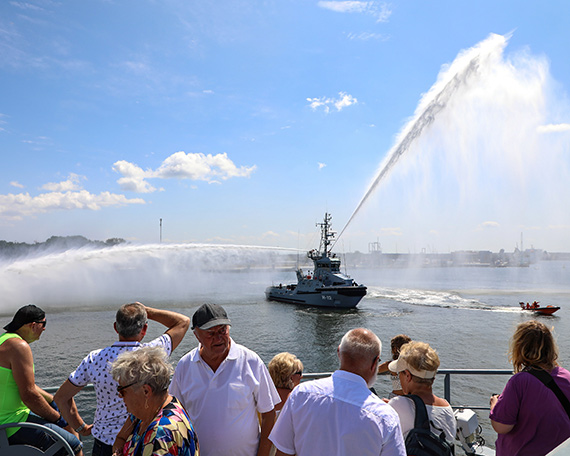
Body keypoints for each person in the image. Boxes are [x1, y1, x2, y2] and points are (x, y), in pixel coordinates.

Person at [55, 302, 190, 456]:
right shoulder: (152, 355)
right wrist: (147, 311)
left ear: (116, 327)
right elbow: (182, 322)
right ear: (144, 329)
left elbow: (61, 397)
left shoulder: (94, 359)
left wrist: (81, 428)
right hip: (145, 440)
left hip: (105, 442)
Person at [269, 328, 406, 456]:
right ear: (375, 362)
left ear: (339, 353)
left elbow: (283, 452)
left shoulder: (300, 394)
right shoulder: (386, 417)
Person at [170, 303, 280, 456]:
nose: (219, 338)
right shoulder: (184, 366)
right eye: (211, 333)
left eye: (223, 330)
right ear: (196, 335)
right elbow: (174, 414)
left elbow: (269, 414)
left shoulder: (251, 362)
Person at [0, 304, 83, 455]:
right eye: (43, 324)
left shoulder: (4, 341)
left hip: (4, 420)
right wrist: (58, 418)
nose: (44, 328)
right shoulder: (20, 346)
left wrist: (52, 400)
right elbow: (29, 396)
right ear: (33, 325)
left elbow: (22, 383)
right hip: (11, 424)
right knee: (73, 445)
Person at [490, 320, 570, 455]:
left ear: (520, 348)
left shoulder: (520, 381)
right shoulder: (566, 376)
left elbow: (502, 426)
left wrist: (494, 405)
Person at [110, 346, 199, 456]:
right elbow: (121, 438)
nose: (119, 395)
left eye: (122, 390)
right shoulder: (150, 410)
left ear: (146, 391)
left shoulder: (160, 435)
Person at [387, 341, 456, 443]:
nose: (399, 377)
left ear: (407, 376)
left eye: (399, 374)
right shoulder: (447, 409)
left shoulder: (397, 404)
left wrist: (386, 408)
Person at [267, 353, 304, 456]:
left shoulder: (262, 398)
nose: (302, 376)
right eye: (299, 373)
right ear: (291, 377)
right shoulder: (298, 401)